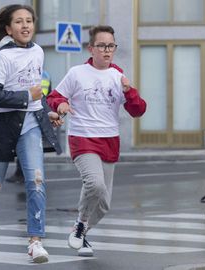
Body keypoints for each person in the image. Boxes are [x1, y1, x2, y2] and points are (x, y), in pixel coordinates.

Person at [0, 4, 63, 263]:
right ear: (8, 29)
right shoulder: (2, 57)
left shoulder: (39, 52)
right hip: (1, 126)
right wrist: (25, 97)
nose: (25, 25)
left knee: (37, 182)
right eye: (19, 21)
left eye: (29, 20)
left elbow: (36, 96)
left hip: (29, 124)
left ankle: (35, 242)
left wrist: (46, 111)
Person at [47, 25, 147, 257]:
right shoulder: (77, 73)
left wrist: (130, 91)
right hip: (83, 138)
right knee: (95, 184)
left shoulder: (118, 76)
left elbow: (138, 111)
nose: (106, 50)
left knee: (103, 205)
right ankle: (81, 223)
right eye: (101, 46)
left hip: (109, 140)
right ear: (91, 48)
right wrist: (60, 105)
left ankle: (81, 233)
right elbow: (55, 96)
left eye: (111, 46)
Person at [6, 70, 52, 184]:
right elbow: (48, 93)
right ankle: (31, 173)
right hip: (41, 109)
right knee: (34, 145)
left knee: (26, 145)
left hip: (32, 109)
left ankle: (21, 173)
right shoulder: (45, 74)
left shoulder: (28, 73)